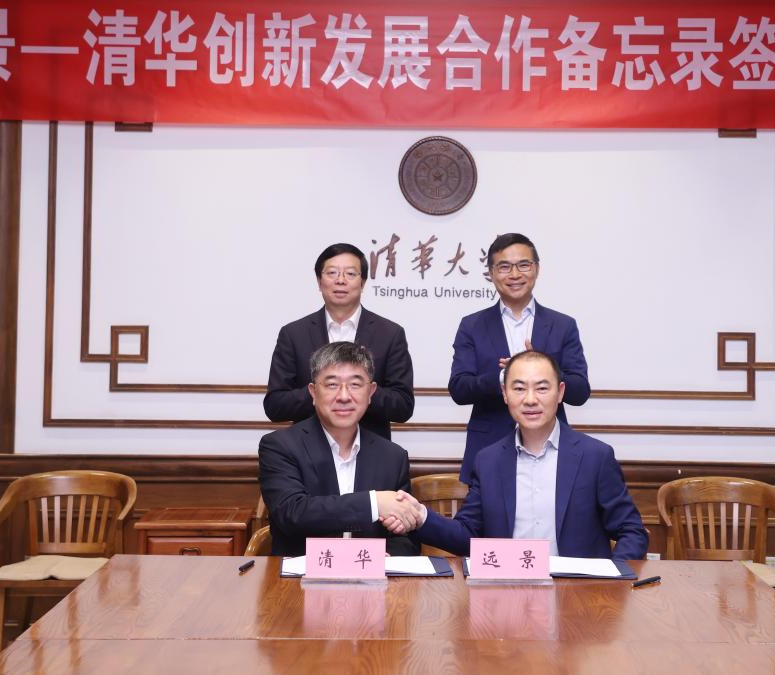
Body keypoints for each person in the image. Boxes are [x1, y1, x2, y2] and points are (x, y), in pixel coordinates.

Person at [416, 350, 646, 561]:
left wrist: (611, 580)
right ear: (505, 394)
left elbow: (632, 531)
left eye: (542, 388)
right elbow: (468, 534)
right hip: (507, 587)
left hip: (579, 590)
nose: (530, 399)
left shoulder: (595, 456)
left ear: (560, 392)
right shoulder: (488, 461)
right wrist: (420, 516)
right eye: (519, 389)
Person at [258, 341, 423, 557]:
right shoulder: (280, 446)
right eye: (332, 385)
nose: (344, 396)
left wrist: (387, 555)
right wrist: (374, 504)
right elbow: (292, 514)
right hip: (302, 575)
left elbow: (407, 540)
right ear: (313, 392)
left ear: (371, 392)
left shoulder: (393, 456)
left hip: (370, 574)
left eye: (355, 384)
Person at [448, 233, 590, 484]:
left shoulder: (562, 325)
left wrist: (543, 369)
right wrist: (505, 376)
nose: (515, 274)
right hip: (488, 448)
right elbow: (459, 389)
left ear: (537, 269)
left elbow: (580, 391)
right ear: (491, 273)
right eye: (504, 267)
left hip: (552, 449)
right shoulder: (472, 325)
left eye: (523, 265)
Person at [265, 243, 414, 440]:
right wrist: (322, 391)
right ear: (319, 281)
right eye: (332, 273)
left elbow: (403, 406)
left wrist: (359, 389)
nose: (341, 280)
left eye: (350, 274)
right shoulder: (293, 334)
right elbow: (275, 405)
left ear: (362, 282)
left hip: (370, 449)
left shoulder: (389, 333)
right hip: (308, 449)